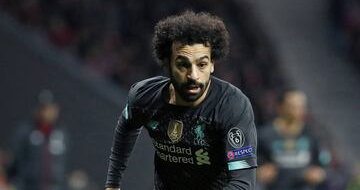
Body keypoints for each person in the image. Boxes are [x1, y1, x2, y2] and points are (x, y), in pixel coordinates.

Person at [105, 11, 258, 190]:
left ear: (212, 64)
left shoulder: (232, 106)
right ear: (167, 63)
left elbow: (242, 183)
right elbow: (126, 124)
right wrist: (112, 183)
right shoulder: (144, 97)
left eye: (201, 64)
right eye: (183, 65)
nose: (193, 75)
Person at [257, 89, 327, 190]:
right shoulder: (263, 134)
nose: (299, 110)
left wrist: (319, 173)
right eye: (293, 106)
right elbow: (240, 163)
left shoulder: (312, 134)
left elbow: (322, 165)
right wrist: (257, 172)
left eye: (302, 106)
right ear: (280, 108)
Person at [8, 90, 67, 190]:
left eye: (50, 108)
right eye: (43, 108)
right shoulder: (26, 132)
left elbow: (62, 166)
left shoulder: (61, 134)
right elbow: (15, 162)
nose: (47, 112)